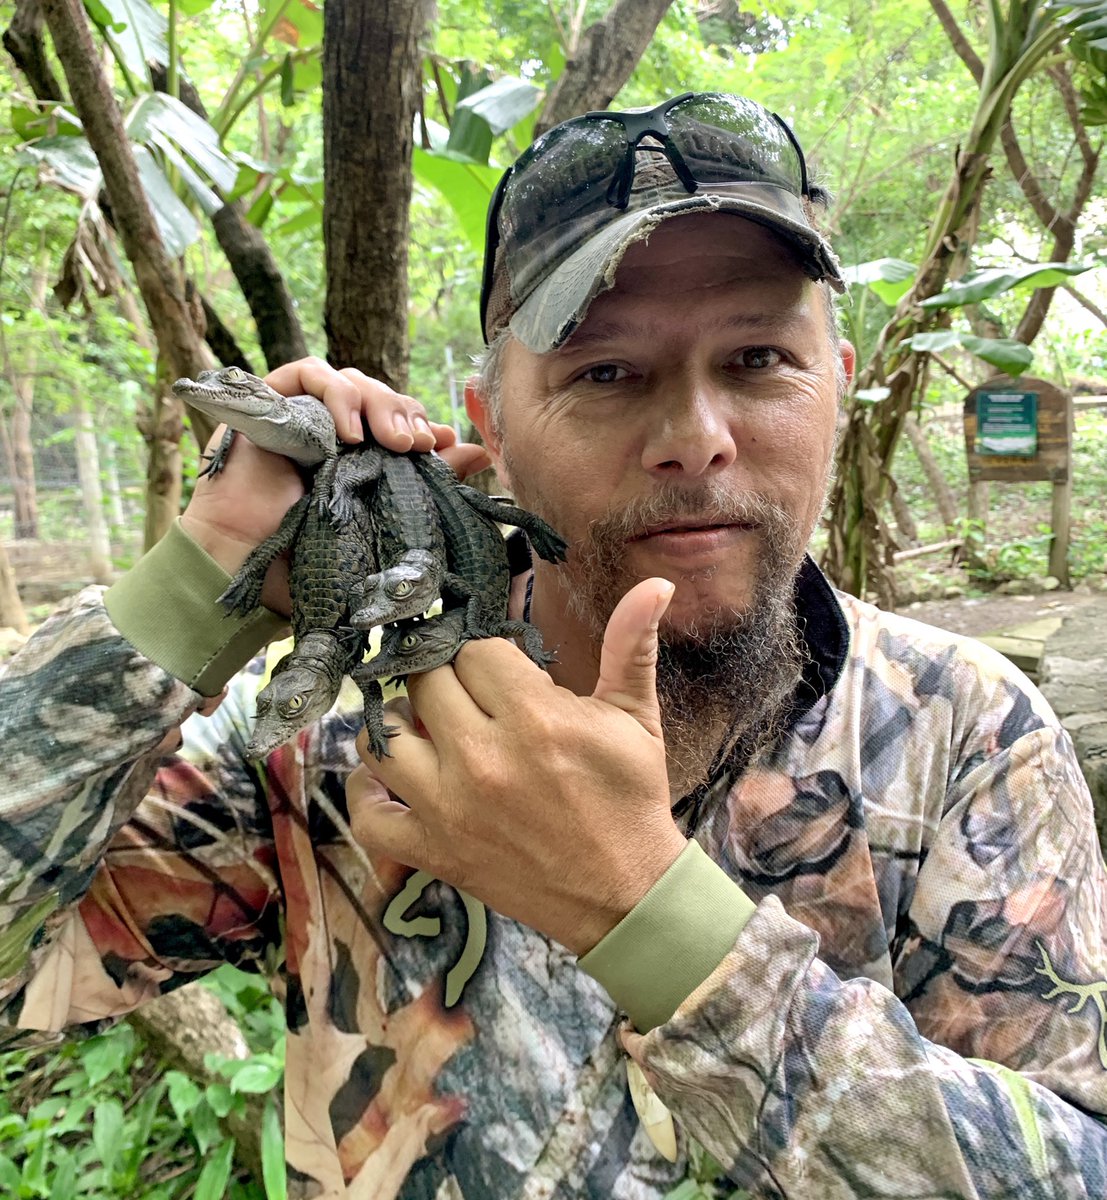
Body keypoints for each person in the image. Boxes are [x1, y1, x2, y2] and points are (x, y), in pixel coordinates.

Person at [1, 90, 1105, 1200]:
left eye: (760, 358)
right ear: (488, 426)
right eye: (606, 373)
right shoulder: (347, 733)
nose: (696, 440)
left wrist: (646, 916)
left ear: (842, 386)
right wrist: (198, 585)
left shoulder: (964, 731)